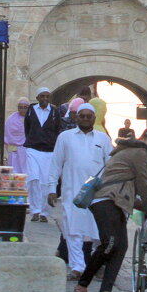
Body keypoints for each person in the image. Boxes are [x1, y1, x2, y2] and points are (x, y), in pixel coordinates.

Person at [73, 128, 147, 292]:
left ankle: (105, 291)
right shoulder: (140, 152)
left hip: (114, 202)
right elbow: (144, 182)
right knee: (110, 242)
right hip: (106, 200)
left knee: (121, 246)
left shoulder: (126, 151)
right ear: (143, 140)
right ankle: (83, 284)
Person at [46, 103, 113, 281]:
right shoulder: (65, 137)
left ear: (94, 118)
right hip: (72, 191)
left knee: (98, 232)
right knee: (72, 231)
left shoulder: (103, 139)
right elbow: (56, 164)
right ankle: (77, 267)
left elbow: (111, 165)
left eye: (88, 116)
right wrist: (51, 188)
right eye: (81, 116)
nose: (85, 119)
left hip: (97, 193)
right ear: (76, 117)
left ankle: (94, 265)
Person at [24, 87, 63, 223]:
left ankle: (44, 212)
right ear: (37, 98)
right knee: (34, 179)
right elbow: (27, 128)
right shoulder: (31, 110)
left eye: (47, 96)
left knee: (46, 182)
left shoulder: (54, 113)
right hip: (33, 150)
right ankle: (35, 210)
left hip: (49, 152)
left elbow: (57, 130)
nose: (45, 99)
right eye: (42, 96)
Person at [3, 98, 29, 174]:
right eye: (21, 107)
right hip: (13, 150)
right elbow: (4, 134)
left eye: (25, 107)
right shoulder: (11, 119)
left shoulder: (31, 118)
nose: (23, 110)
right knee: (13, 173)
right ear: (18, 108)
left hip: (26, 150)